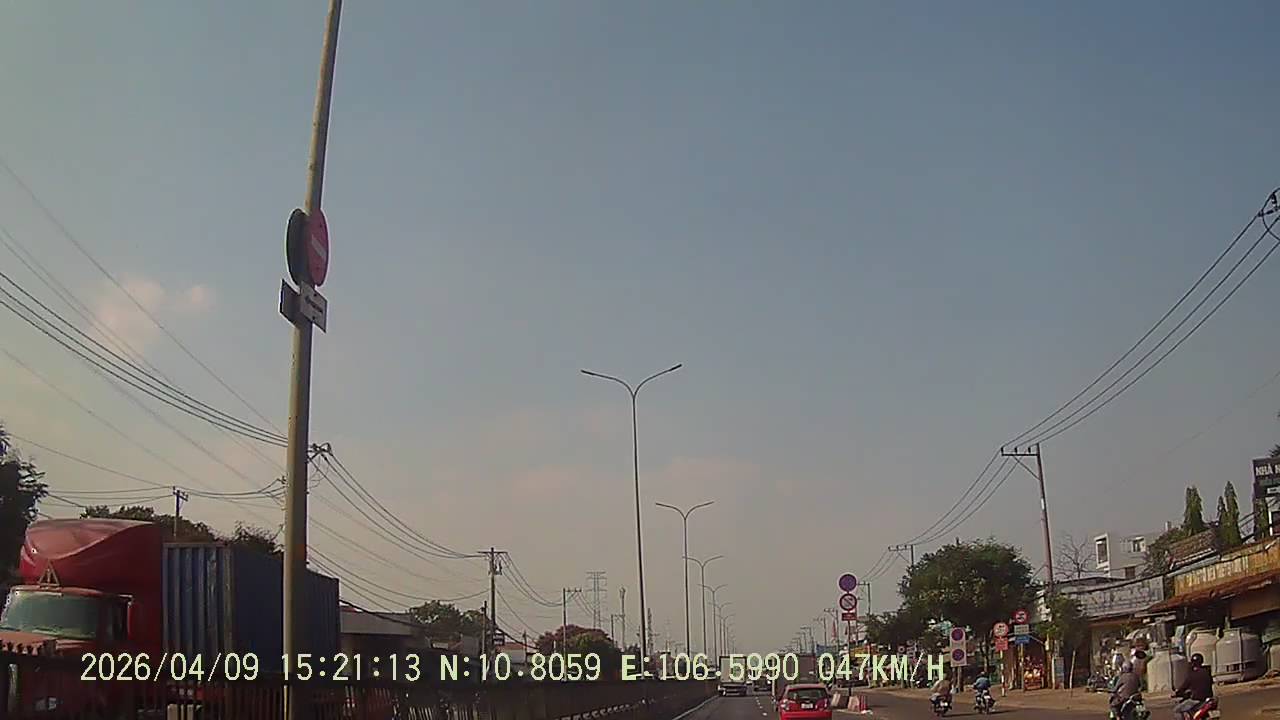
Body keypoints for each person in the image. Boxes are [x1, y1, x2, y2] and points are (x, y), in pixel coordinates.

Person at [1172, 653, 1214, 719]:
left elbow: (1184, 687)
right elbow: (1210, 682)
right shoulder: (1207, 672)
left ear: (1193, 663)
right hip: (1208, 698)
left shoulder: (1192, 674)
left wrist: (1177, 693)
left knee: (1176, 710)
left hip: (1197, 700)